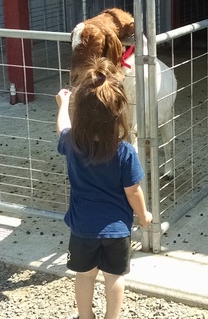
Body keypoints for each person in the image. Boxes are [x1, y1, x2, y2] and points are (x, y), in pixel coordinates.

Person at [56, 56, 153, 319]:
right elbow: (133, 191)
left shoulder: (72, 143)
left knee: (84, 276)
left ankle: (86, 317)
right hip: (117, 231)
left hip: (82, 228)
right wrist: (144, 217)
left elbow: (62, 127)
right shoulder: (124, 152)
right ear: (118, 113)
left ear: (81, 114)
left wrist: (63, 104)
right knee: (114, 277)